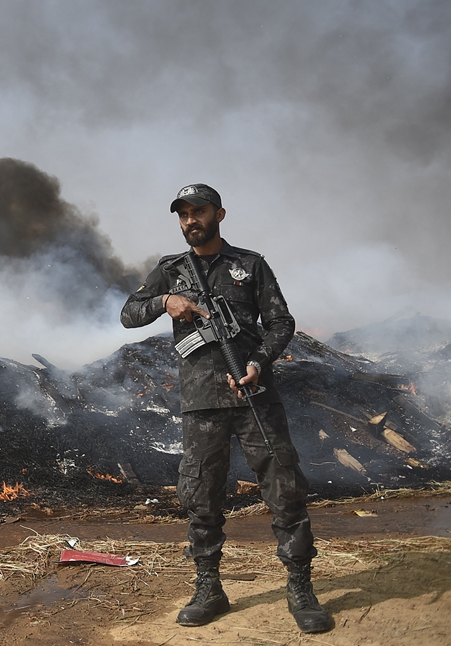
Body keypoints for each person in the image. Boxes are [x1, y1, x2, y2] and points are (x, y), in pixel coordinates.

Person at [120, 184, 334, 634]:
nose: (190, 220)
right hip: (201, 403)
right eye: (183, 214)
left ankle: (300, 587)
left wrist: (258, 362)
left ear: (219, 214)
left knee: (285, 489)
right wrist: (165, 302)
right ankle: (208, 587)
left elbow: (281, 321)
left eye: (198, 212)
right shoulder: (170, 270)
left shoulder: (249, 265)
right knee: (201, 495)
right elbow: (128, 313)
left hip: (254, 395)